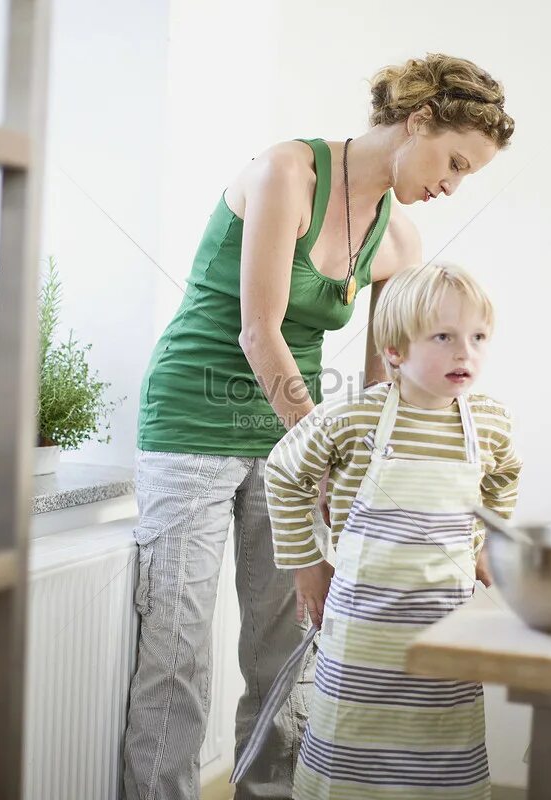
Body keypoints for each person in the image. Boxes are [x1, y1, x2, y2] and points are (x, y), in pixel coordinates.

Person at [123, 54, 515, 800]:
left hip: (289, 446)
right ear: (419, 119)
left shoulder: (399, 243)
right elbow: (258, 333)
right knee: (176, 656)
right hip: (192, 426)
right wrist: (325, 452)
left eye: (468, 177)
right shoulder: (286, 175)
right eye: (454, 161)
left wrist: (384, 477)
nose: (451, 186)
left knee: (287, 647)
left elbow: (384, 381)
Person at [265, 262, 523, 799]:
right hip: (363, 639)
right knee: (348, 769)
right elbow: (285, 472)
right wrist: (308, 566)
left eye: (478, 337)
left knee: (438, 766)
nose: (465, 353)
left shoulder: (490, 423)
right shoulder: (355, 418)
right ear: (395, 352)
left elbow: (503, 482)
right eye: (445, 336)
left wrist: (485, 548)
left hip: (443, 633)